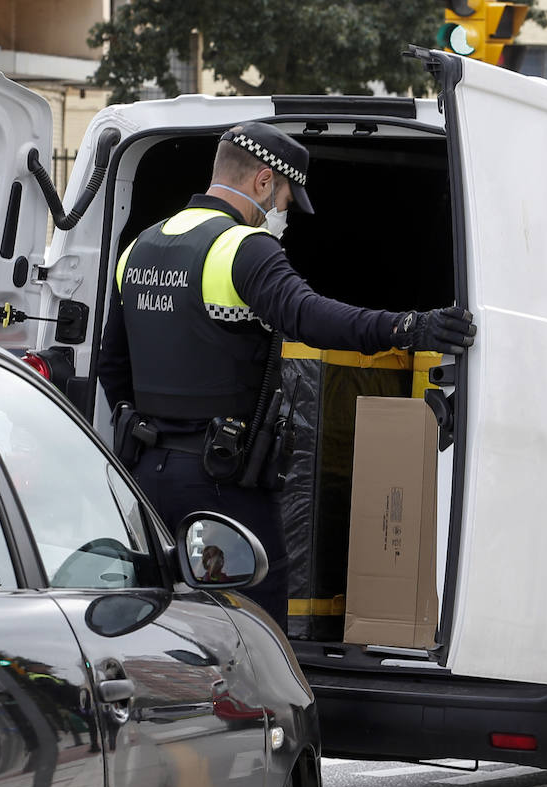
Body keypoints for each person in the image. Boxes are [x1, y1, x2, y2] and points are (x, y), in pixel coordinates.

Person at [96, 120, 475, 635]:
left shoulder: (139, 247)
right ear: (263, 182)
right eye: (286, 199)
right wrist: (409, 327)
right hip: (223, 485)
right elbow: (310, 316)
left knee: (167, 625)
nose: (283, 213)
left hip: (146, 478)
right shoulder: (243, 248)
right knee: (255, 631)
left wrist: (143, 430)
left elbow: (110, 365)